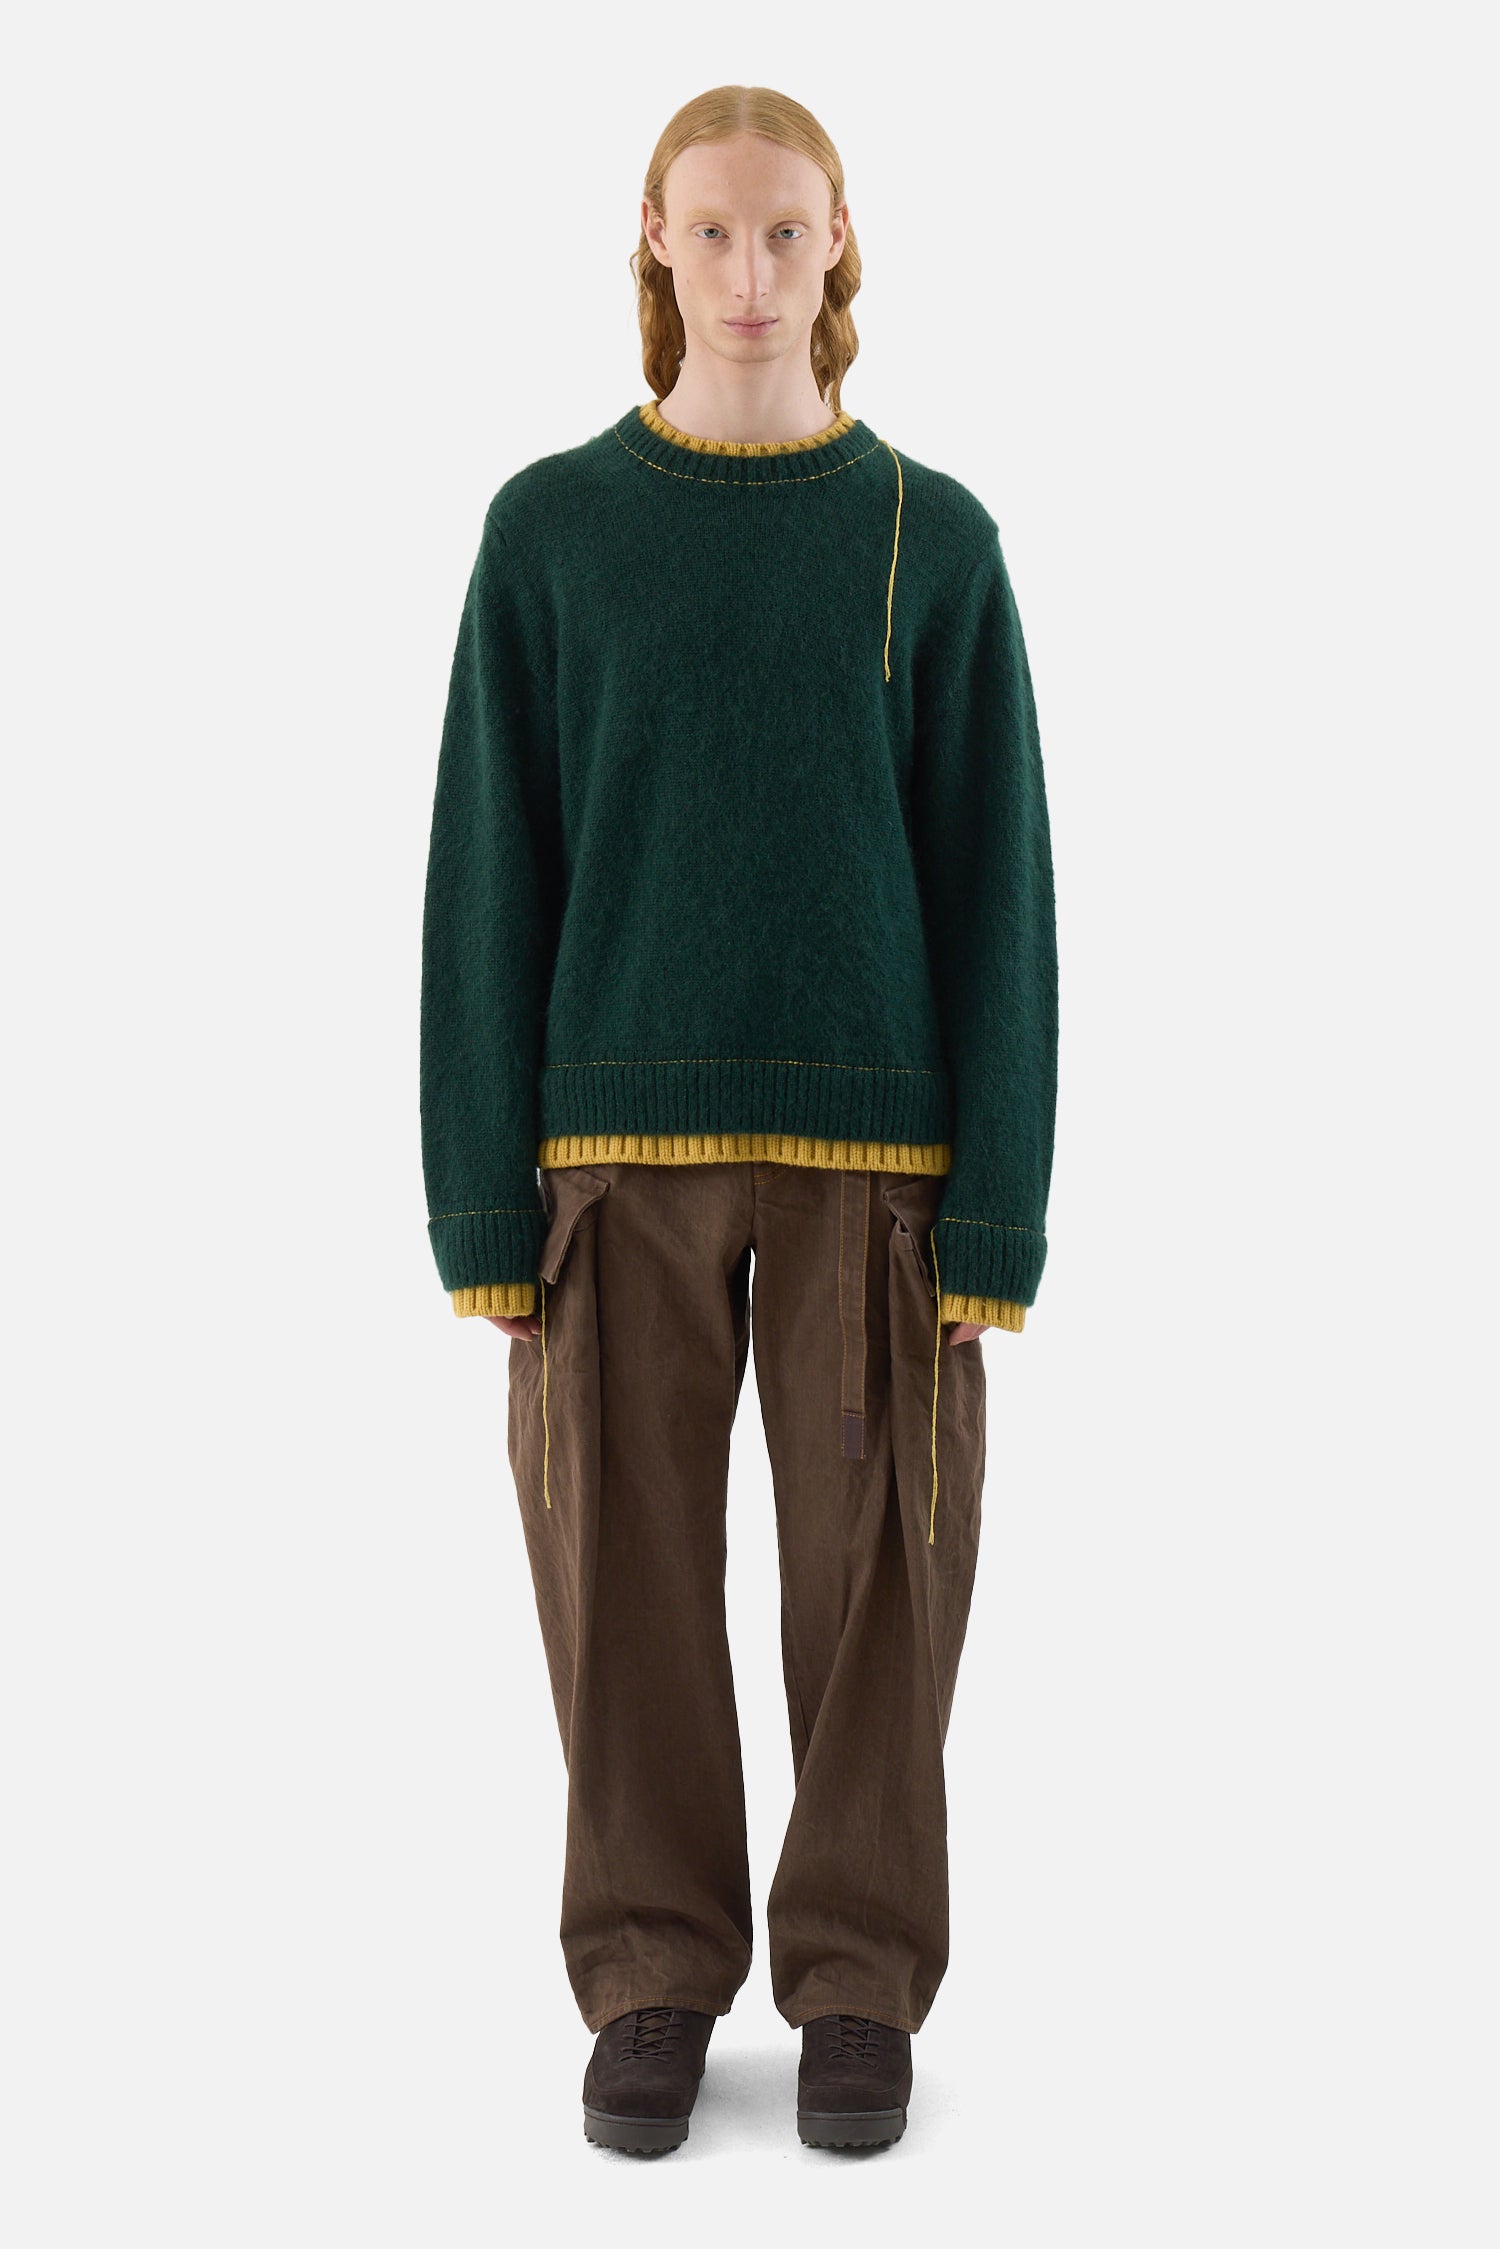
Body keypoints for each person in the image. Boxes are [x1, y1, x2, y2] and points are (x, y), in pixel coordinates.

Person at [419, 83, 1059, 2156]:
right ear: (654, 240)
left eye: (788, 232)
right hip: (614, 1148)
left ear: (839, 241)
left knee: (879, 1576)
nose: (753, 274)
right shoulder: (551, 532)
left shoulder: (931, 538)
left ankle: (858, 1978)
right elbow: (489, 870)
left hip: (881, 1153)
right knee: (619, 1571)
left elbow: (999, 889)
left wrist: (998, 1213)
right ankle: (651, 1971)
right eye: (715, 232)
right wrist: (480, 1206)